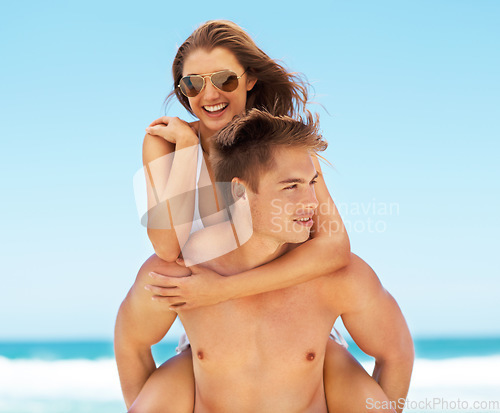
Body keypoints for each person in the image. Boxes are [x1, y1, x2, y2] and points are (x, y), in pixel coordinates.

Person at [114, 20, 413, 412]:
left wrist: (224, 289)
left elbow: (335, 247)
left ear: (250, 79)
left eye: (224, 79)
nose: (209, 94)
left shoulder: (283, 149)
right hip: (211, 318)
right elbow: (168, 246)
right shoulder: (166, 142)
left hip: (292, 307)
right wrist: (187, 153)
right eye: (193, 84)